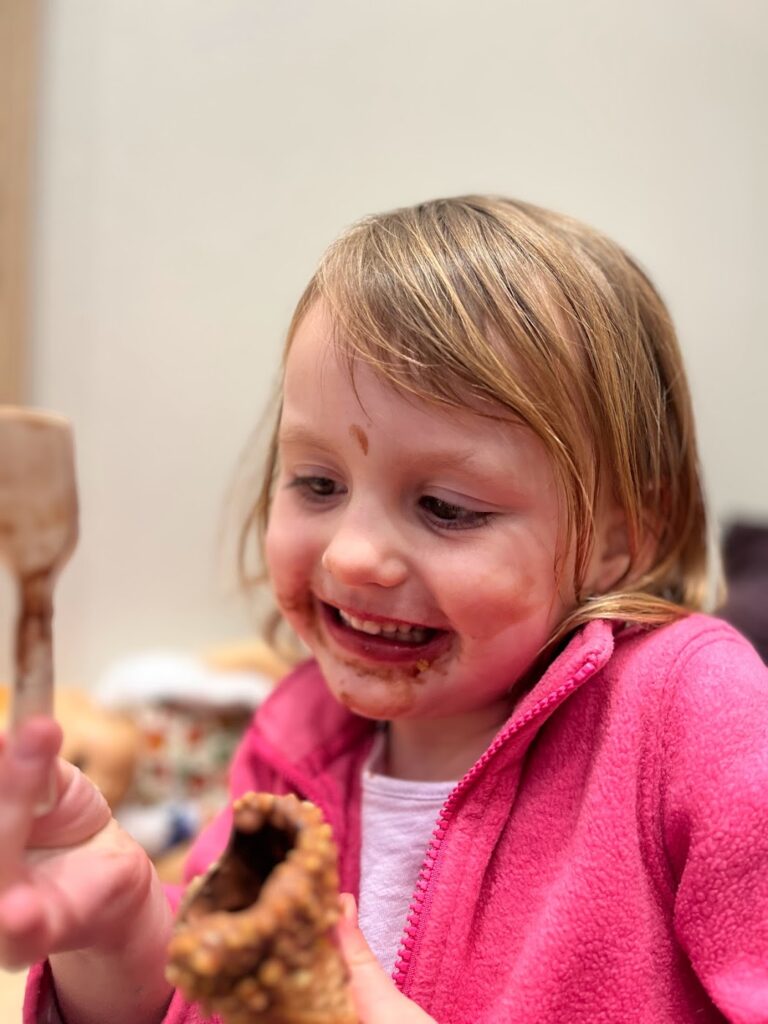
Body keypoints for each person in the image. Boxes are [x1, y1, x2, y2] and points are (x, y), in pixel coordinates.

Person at [2, 196, 766, 1024]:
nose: (350, 555)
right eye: (318, 484)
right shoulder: (293, 746)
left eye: (445, 506)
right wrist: (117, 933)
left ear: (619, 537)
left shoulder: (696, 718)